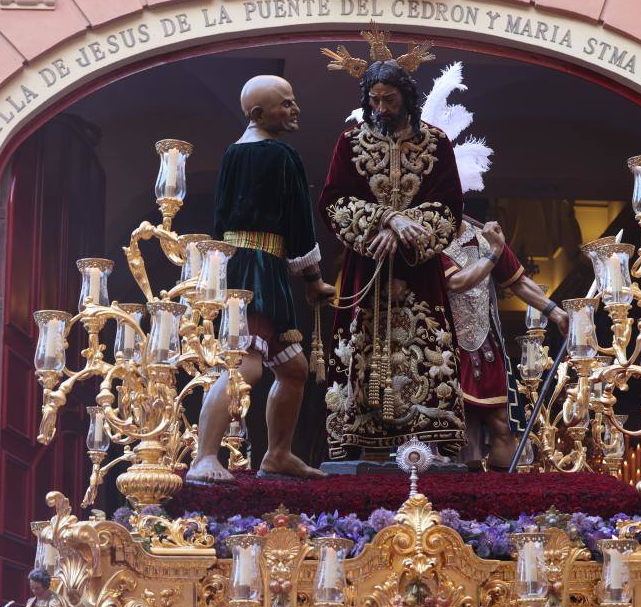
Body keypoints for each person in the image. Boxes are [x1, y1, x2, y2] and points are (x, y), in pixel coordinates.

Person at [319, 28, 465, 461]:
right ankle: (358, 441)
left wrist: (406, 228)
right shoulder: (350, 141)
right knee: (357, 347)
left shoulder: (435, 143)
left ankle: (430, 444)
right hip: (367, 265)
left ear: (406, 97)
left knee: (429, 349)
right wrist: (384, 218)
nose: (381, 108)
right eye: (375, 100)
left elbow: (449, 205)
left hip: (419, 270)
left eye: (390, 100)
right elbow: (332, 200)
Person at [186, 75, 334, 484]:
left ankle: (278, 454)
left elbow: (219, 218)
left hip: (244, 264)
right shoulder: (282, 155)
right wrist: (314, 278)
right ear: (258, 113)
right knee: (245, 366)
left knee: (294, 370)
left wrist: (219, 269)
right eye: (286, 103)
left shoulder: (233, 153)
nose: (295, 109)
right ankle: (204, 456)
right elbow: (299, 221)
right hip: (257, 269)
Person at [441, 217, 569, 469]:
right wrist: (495, 252)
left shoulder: (484, 238)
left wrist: (554, 312)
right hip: (443, 347)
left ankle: (501, 496)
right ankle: (456, 493)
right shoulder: (429, 237)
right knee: (455, 429)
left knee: (503, 426)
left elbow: (518, 281)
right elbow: (455, 282)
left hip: (485, 344)